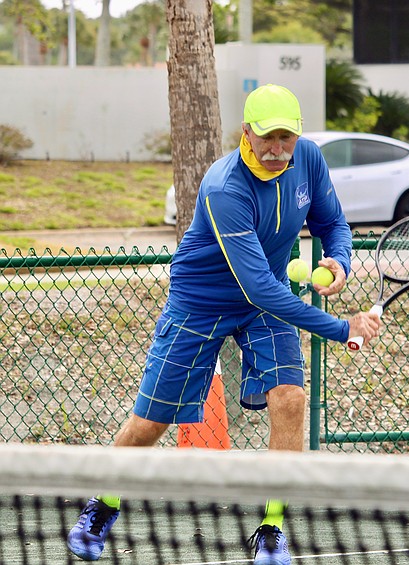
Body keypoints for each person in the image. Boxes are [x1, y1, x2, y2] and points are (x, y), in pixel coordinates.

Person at [66, 84, 382, 565]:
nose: (277, 150)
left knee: (291, 398)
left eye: (287, 138)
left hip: (265, 302)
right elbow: (257, 287)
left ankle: (273, 528)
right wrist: (342, 329)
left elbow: (333, 222)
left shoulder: (309, 160)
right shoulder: (224, 187)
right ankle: (103, 503)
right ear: (246, 133)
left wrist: (339, 259)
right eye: (268, 138)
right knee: (151, 423)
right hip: (202, 302)